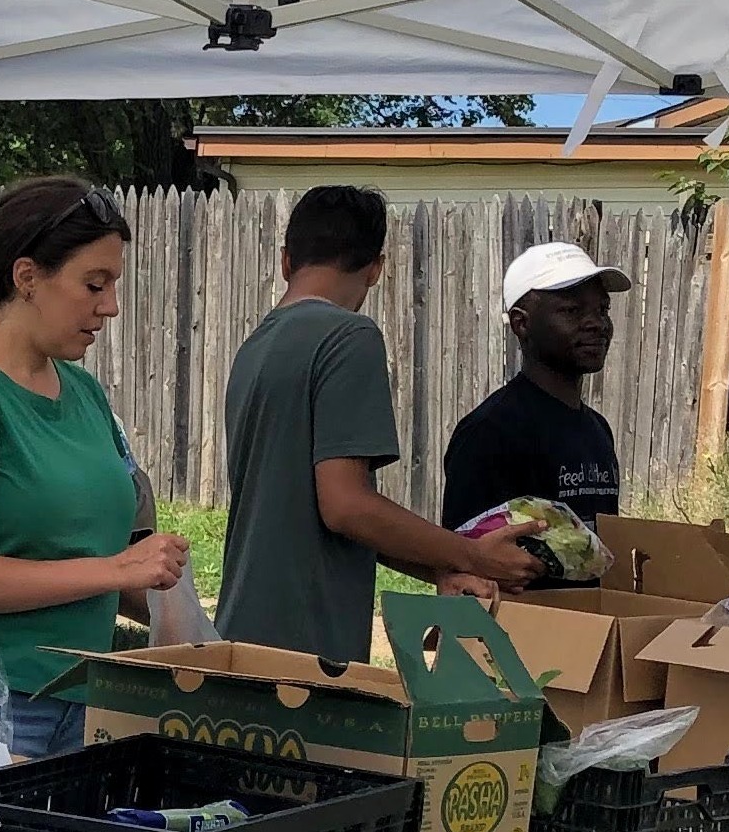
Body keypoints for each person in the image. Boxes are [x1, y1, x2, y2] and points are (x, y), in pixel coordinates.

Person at [425, 240, 632, 832]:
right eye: (567, 304)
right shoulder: (492, 430)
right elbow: (450, 569)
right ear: (517, 322)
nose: (593, 317)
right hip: (492, 678)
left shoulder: (592, 431)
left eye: (599, 302)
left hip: (577, 680)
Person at [0, 175, 189, 760]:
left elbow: (89, 555)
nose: (110, 306)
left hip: (79, 699)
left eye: (113, 284)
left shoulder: (83, 393)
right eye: (93, 284)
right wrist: (116, 571)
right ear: (28, 277)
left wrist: (176, 609)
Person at [217, 184, 538, 660]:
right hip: (308, 649)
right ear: (376, 269)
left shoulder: (255, 347)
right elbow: (346, 506)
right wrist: (470, 554)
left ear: (286, 261)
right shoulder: (349, 336)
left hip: (241, 632)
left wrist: (439, 568)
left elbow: (325, 517)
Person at [440, 240, 628, 536]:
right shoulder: (490, 433)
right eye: (572, 311)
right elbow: (465, 562)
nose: (597, 323)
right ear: (521, 324)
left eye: (602, 309)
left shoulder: (598, 430)